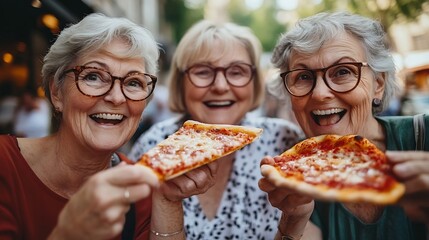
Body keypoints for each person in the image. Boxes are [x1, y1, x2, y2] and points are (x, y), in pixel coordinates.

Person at [0, 13, 217, 240]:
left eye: (133, 82)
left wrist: (167, 199)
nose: (116, 97)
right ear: (57, 92)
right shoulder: (5, 165)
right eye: (93, 77)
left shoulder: (139, 186)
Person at [260, 11, 429, 240]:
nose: (320, 94)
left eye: (342, 72)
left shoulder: (424, 136)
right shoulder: (296, 173)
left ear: (378, 84)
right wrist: (294, 219)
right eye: (303, 76)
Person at [128, 19, 304, 239]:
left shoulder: (285, 141)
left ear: (255, 82)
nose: (220, 86)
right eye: (203, 72)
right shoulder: (153, 146)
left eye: (236, 72)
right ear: (181, 82)